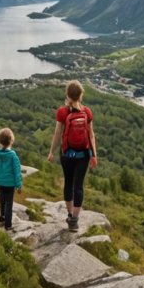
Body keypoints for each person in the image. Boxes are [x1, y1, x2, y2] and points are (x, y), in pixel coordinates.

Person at [47, 80, 97, 232]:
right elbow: (91, 135)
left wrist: (51, 152)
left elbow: (57, 134)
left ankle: (69, 214)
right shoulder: (87, 112)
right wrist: (94, 155)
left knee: (68, 183)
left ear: (67, 95)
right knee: (78, 186)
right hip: (83, 155)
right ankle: (74, 220)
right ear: (81, 95)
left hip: (66, 154)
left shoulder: (62, 112)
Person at [0, 127, 22, 231]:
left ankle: (2, 216)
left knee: (2, 199)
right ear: (11, 141)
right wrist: (18, 185)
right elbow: (17, 171)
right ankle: (8, 225)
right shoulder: (13, 156)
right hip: (10, 184)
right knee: (9, 203)